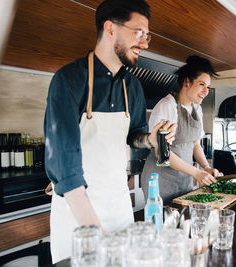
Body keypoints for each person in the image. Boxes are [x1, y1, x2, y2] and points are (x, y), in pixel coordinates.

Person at [43, 0, 175, 263]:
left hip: (119, 208)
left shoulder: (133, 86)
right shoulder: (68, 80)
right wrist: (95, 235)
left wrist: (150, 139)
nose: (146, 42)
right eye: (139, 32)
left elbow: (134, 135)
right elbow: (65, 169)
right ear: (110, 28)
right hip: (77, 217)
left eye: (147, 35)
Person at [141, 55, 223, 201]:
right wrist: (196, 173)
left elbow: (195, 144)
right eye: (202, 84)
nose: (206, 91)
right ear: (187, 82)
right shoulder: (167, 106)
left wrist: (205, 167)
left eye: (208, 87)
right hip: (161, 181)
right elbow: (163, 153)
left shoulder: (197, 109)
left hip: (184, 179)